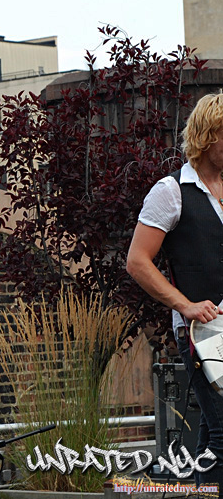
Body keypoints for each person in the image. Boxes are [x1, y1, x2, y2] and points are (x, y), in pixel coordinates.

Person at [127, 92, 223, 486]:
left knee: (213, 430)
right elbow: (137, 261)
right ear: (208, 135)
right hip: (202, 333)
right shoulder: (171, 192)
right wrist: (184, 305)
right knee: (222, 432)